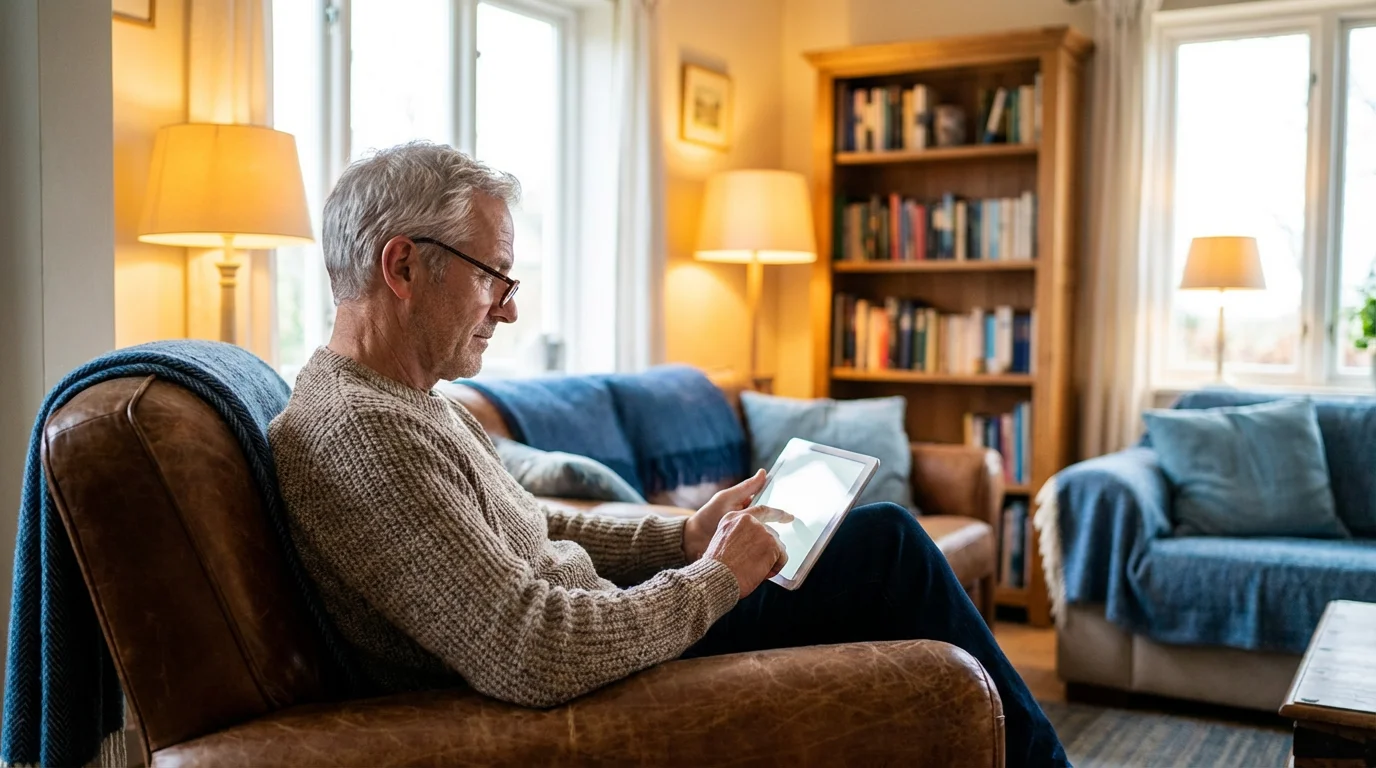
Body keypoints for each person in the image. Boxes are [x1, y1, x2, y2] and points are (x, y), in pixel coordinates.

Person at [269, 141, 1068, 767]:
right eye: (494, 279)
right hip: (596, 678)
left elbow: (529, 526)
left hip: (613, 634)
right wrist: (718, 577)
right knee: (888, 547)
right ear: (403, 265)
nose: (508, 312)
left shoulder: (405, 402)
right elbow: (533, 649)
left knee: (875, 546)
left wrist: (680, 538)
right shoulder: (364, 434)